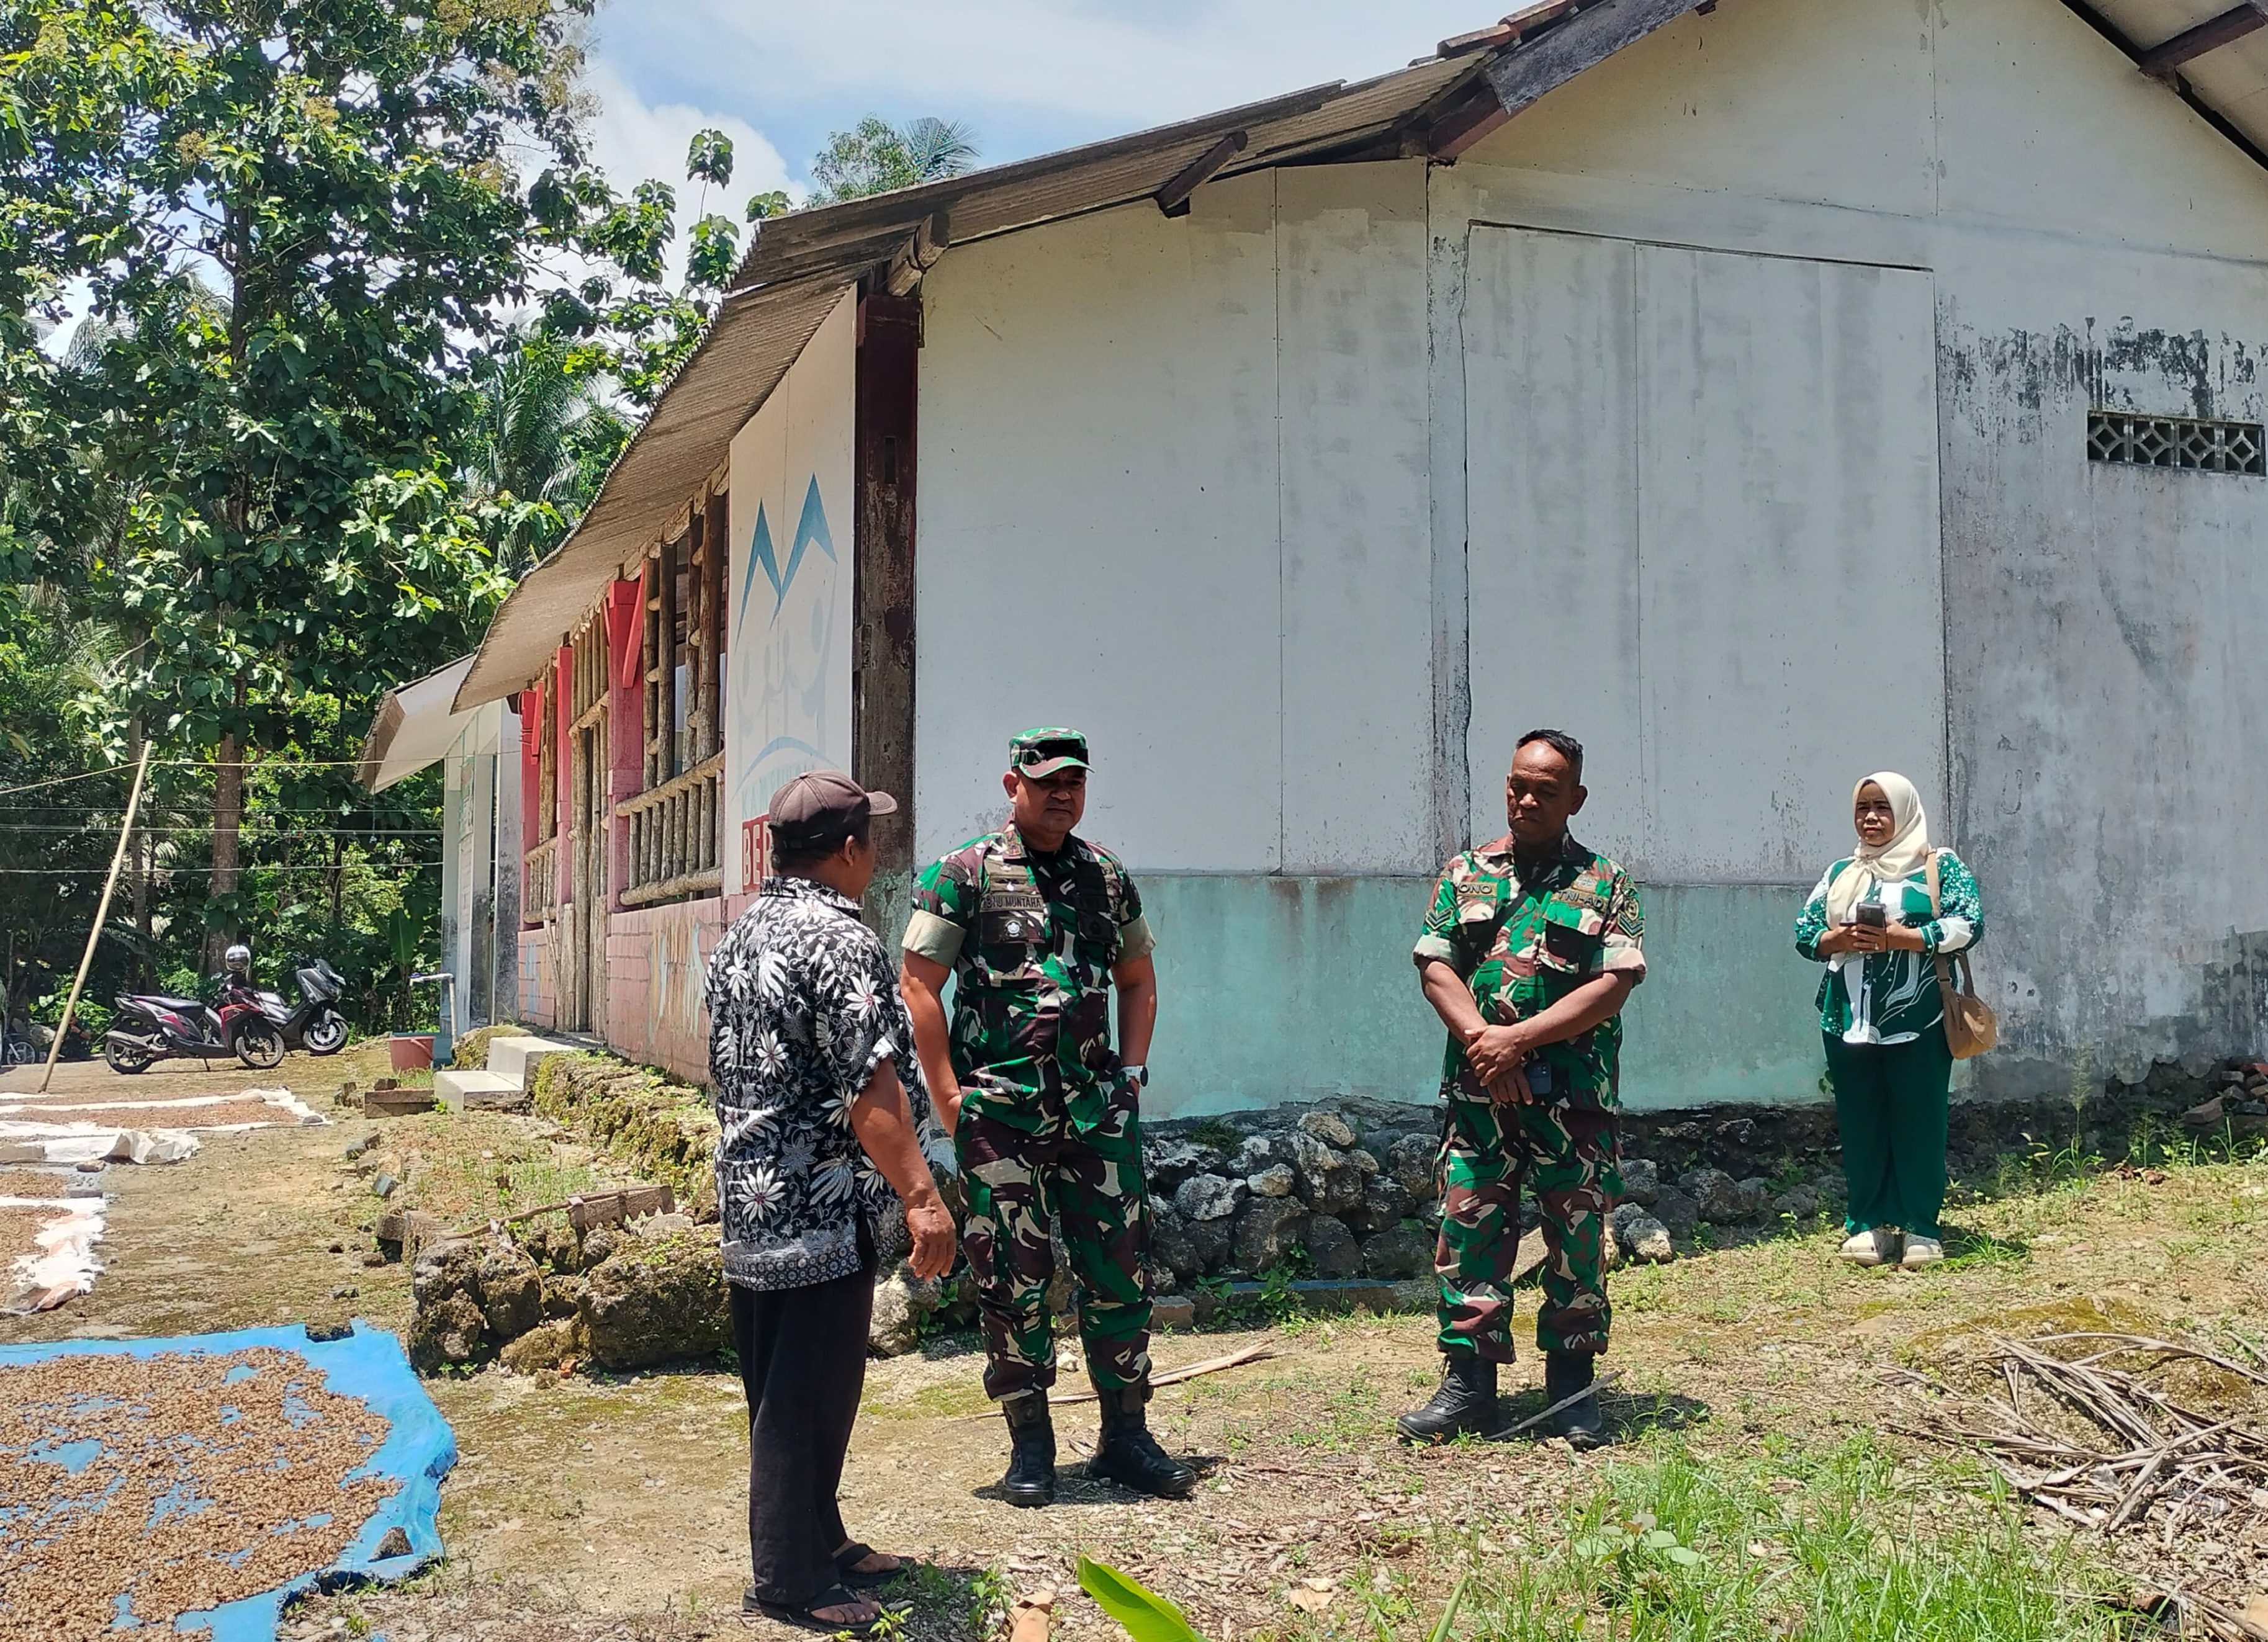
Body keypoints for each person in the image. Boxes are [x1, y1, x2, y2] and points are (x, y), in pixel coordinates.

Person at [899, 727, 1194, 1507]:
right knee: (1010, 1282)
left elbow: (1138, 975)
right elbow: (919, 985)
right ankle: (1030, 1446)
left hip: (1096, 1113)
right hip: (1001, 1116)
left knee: (1119, 1274)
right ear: (1012, 783)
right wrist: (948, 1097)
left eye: (1075, 781)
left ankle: (1126, 1437)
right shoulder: (961, 875)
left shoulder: (1107, 877)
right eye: (1045, 780)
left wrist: (1131, 1072)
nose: (1062, 793)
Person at [703, 769, 957, 1633]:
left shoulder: (746, 930)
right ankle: (787, 1578)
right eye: (871, 840)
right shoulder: (838, 940)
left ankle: (819, 1537)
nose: (875, 854)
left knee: (793, 1382)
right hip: (814, 1203)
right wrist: (922, 1197)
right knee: (802, 1392)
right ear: (848, 851)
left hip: (752, 1195)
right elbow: (870, 1085)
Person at [1399, 729, 1646, 1450]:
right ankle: (1468, 1385)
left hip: (1572, 1099)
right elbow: (1436, 965)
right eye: (1517, 785)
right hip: (1480, 1096)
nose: (1527, 798)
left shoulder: (1607, 882)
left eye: (1544, 788)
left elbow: (1614, 984)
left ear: (1576, 797)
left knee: (1577, 1236)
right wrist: (1487, 1044)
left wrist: (1521, 1039)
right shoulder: (1465, 873)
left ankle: (1572, 1388)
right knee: (1469, 1230)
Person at [1794, 772, 1984, 1270]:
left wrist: (1906, 937)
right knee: (1861, 1122)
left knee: (1919, 1120)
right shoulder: (1842, 872)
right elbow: (1805, 931)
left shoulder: (1936, 866)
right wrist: (1840, 940)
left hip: (1918, 1016)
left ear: (1904, 811)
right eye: (1863, 809)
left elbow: (1969, 923)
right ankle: (1867, 1223)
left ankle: (1921, 1226)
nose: (1872, 818)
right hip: (1848, 1018)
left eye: (1882, 808)